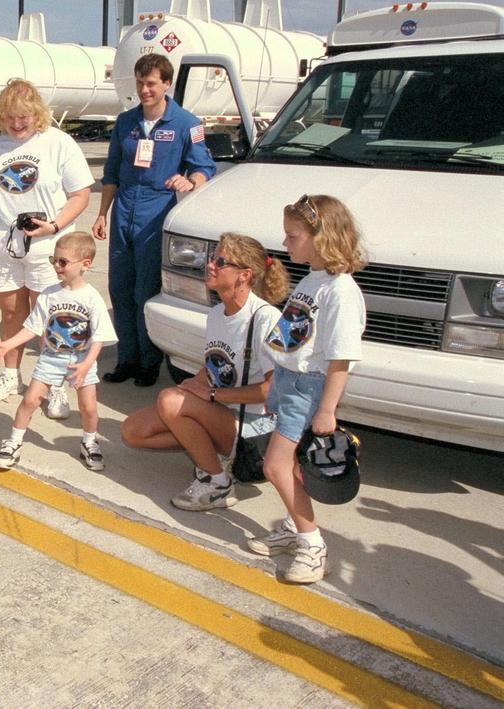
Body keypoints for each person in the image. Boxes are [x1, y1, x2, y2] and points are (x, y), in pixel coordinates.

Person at [121, 233, 289, 511]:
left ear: (244, 275)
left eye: (220, 261)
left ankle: (218, 483)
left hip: (255, 426)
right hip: (222, 412)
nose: (210, 265)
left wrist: (210, 394)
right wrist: (195, 384)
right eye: (212, 258)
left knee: (169, 401)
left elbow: (273, 391)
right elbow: (217, 364)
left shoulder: (267, 318)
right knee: (133, 431)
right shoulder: (217, 314)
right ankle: (212, 457)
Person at [246, 195, 366, 584]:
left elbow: (340, 359)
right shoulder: (314, 279)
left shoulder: (340, 291)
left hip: (308, 387)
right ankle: (293, 526)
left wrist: (327, 410)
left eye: (292, 236)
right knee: (290, 463)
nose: (286, 244)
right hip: (287, 381)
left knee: (274, 465)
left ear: (322, 237)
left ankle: (312, 546)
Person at [0, 79, 94, 417]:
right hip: (3, 245)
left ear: (36, 112)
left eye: (23, 115)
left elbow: (81, 194)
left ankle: (54, 386)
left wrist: (53, 226)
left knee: (50, 317)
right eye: (9, 116)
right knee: (11, 313)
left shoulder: (58, 143)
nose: (17, 123)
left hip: (48, 248)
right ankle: (10, 375)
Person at [93, 53, 215, 388]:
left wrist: (190, 183)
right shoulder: (125, 123)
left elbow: (204, 166)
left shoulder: (186, 123)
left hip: (156, 208)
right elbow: (111, 172)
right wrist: (103, 213)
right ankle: (126, 359)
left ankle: (149, 362)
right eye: (140, 83)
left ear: (166, 83)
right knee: (120, 288)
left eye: (151, 83)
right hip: (123, 209)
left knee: (145, 290)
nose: (144, 90)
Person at [0, 232, 116, 471]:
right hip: (51, 358)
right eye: (53, 260)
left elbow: (99, 337)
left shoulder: (92, 298)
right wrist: (8, 344)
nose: (57, 266)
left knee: (89, 407)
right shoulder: (49, 294)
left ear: (85, 264)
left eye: (63, 262)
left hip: (81, 360)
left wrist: (87, 364)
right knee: (29, 400)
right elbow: (32, 327)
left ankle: (89, 442)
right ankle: (13, 441)